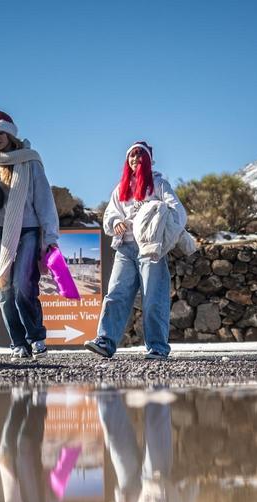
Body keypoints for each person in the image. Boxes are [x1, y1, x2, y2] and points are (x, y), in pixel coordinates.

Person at [84, 142, 192, 360]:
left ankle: (157, 348)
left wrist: (163, 239)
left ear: (149, 160)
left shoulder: (159, 185)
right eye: (131, 156)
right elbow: (109, 215)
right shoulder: (121, 188)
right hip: (124, 249)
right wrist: (115, 222)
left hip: (150, 251)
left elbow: (178, 213)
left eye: (139, 156)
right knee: (115, 294)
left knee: (154, 298)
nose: (135, 160)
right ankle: (104, 342)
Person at [0, 109, 59, 362]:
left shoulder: (30, 160)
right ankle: (18, 342)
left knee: (24, 286)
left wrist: (50, 237)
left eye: (1, 132)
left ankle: (36, 337)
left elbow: (44, 200)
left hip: (29, 231)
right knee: (4, 291)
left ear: (11, 135)